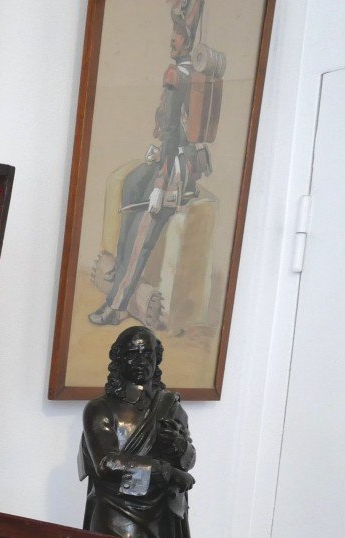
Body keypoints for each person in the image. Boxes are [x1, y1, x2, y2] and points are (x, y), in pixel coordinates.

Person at [88, 0, 210, 327]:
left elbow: (173, 133)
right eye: (173, 33)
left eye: (179, 35)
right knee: (129, 187)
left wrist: (159, 186)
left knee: (142, 230)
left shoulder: (178, 76)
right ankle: (118, 284)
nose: (173, 39)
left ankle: (117, 305)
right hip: (168, 158)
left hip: (174, 172)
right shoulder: (186, 72)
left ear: (189, 40)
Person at [79, 326, 195, 538]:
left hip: (166, 515)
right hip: (120, 515)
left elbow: (188, 460)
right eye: (133, 354)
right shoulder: (100, 409)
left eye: (147, 354)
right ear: (119, 359)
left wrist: (178, 445)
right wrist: (166, 471)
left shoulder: (170, 405)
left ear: (156, 358)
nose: (141, 361)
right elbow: (107, 463)